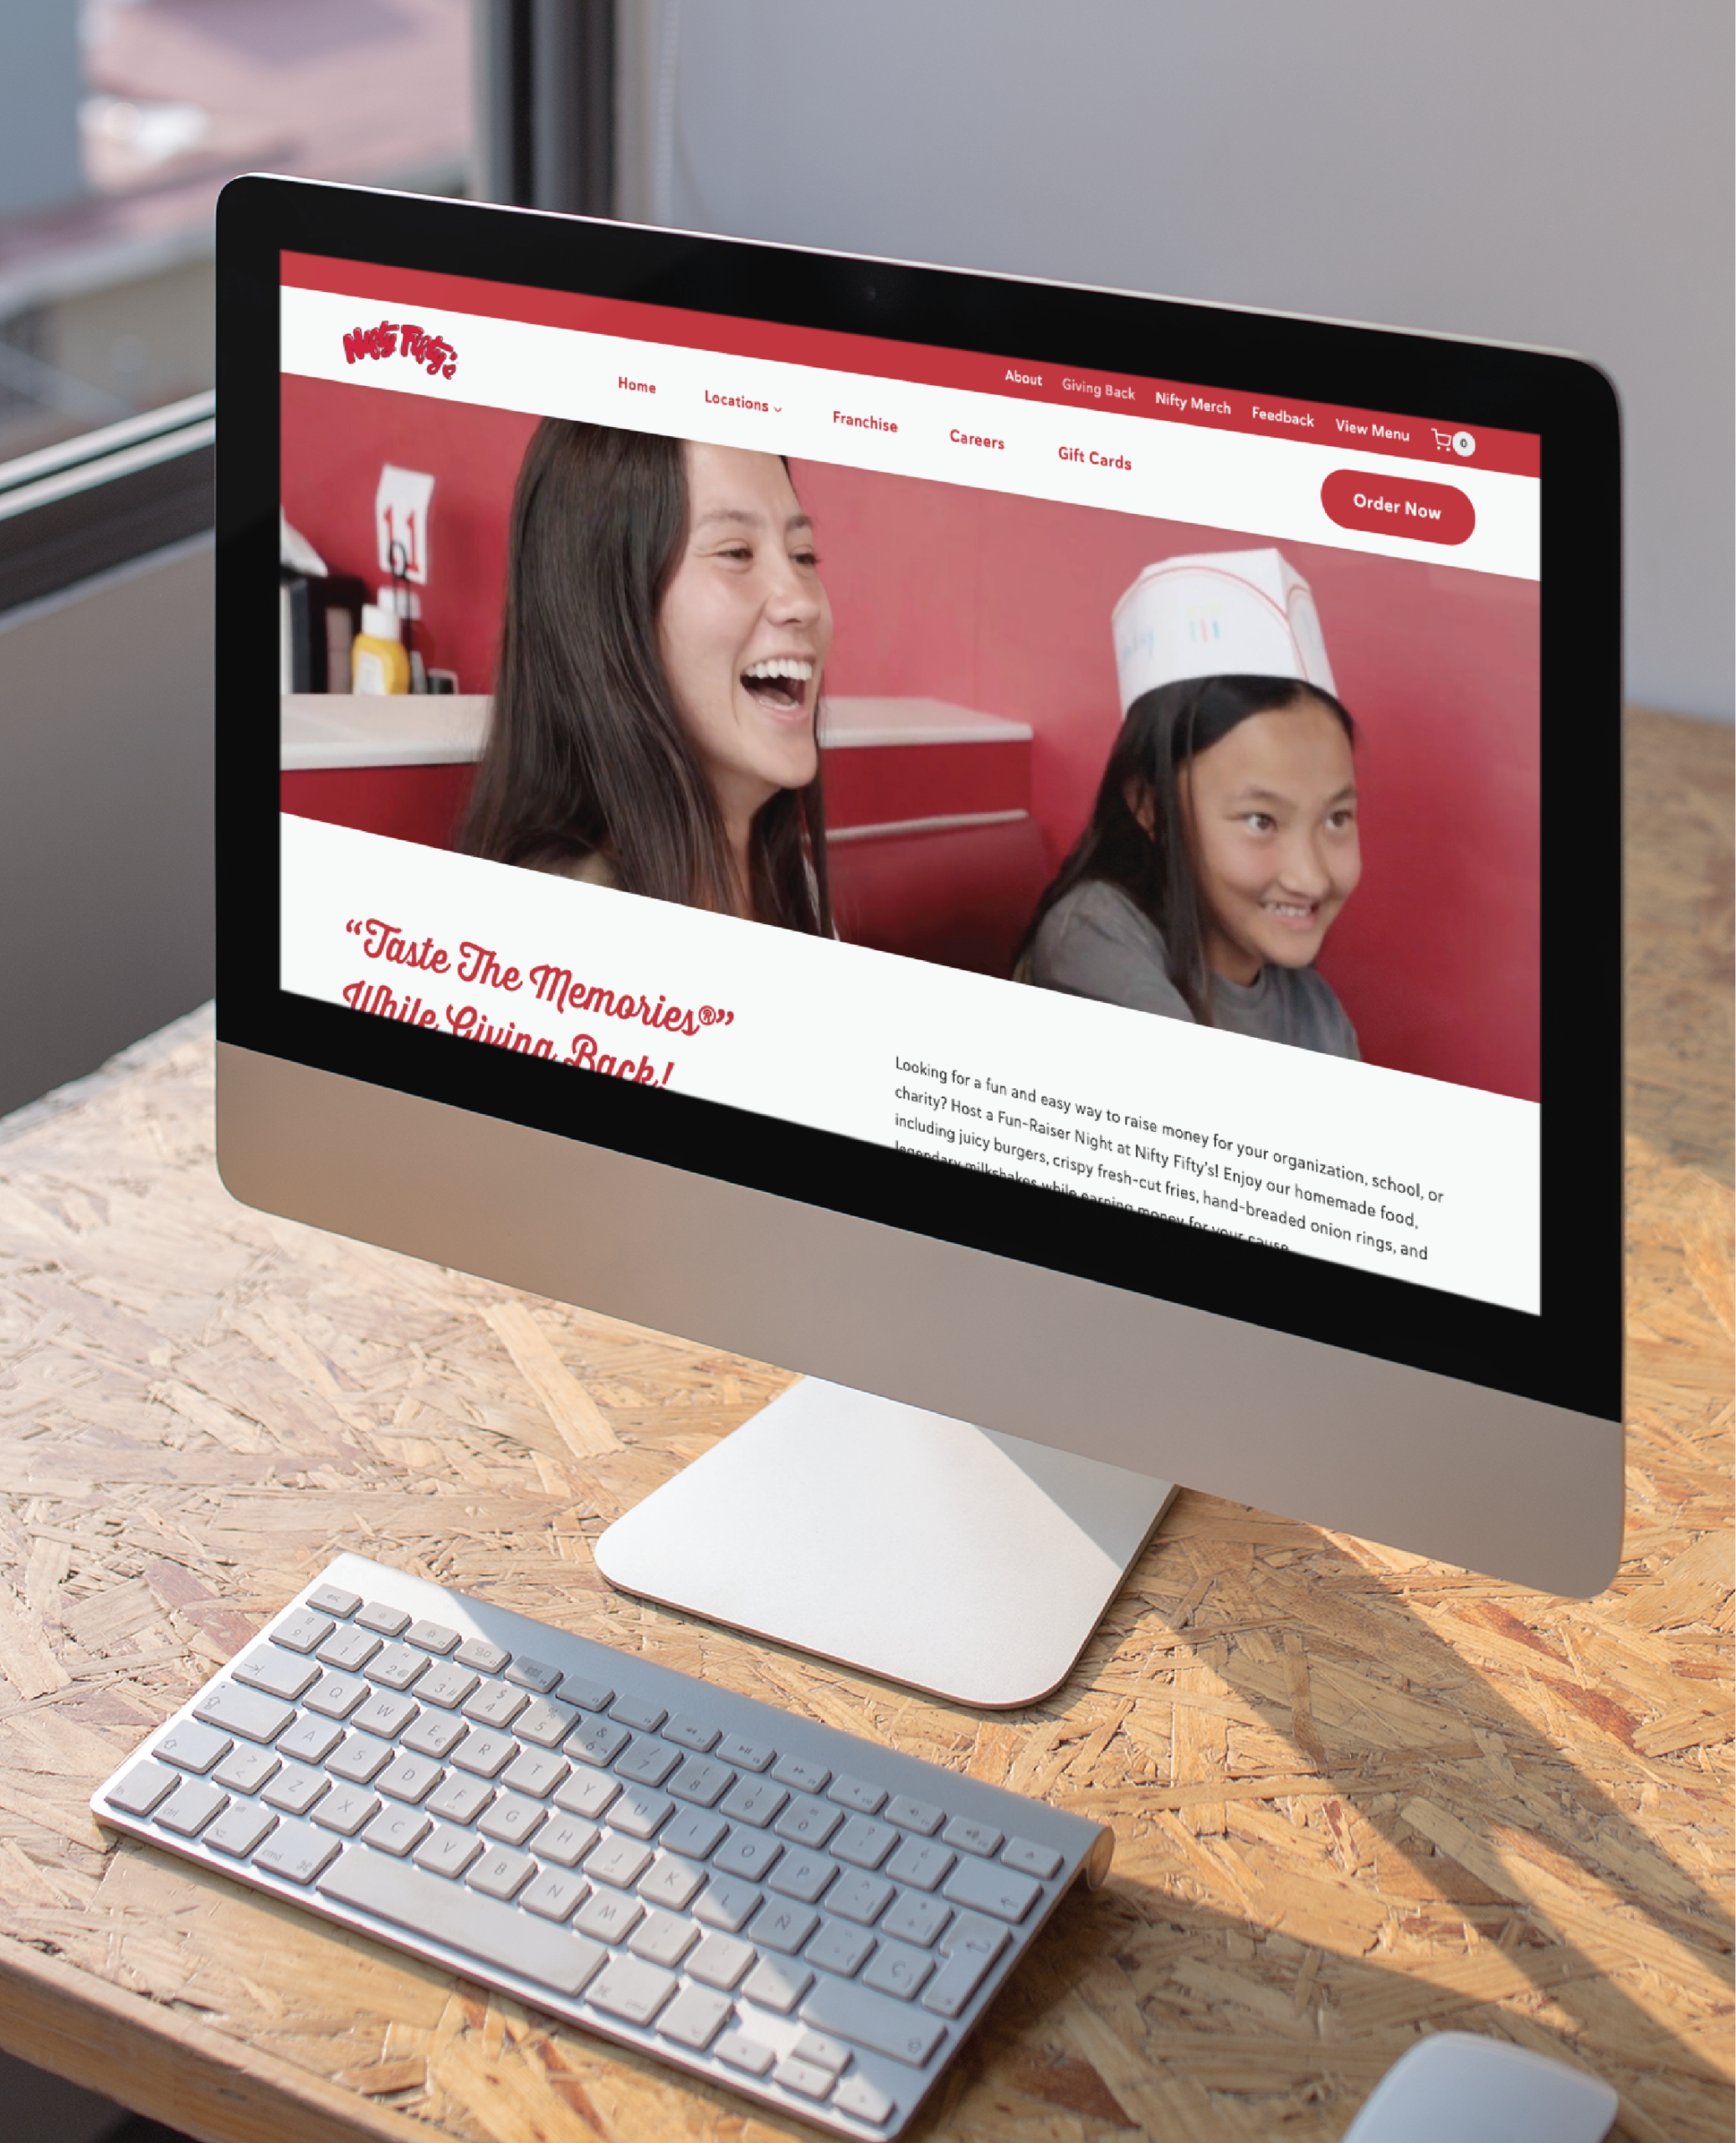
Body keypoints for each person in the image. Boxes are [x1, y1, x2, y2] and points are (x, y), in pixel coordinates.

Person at [463, 421, 834, 932]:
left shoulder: (797, 887)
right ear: (605, 613)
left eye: (803, 556)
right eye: (737, 553)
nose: (802, 601)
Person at [1016, 549, 1362, 1056]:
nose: (1311, 877)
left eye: (1337, 818)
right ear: (1151, 807)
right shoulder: (1095, 939)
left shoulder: (1318, 1014)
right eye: (1261, 820)